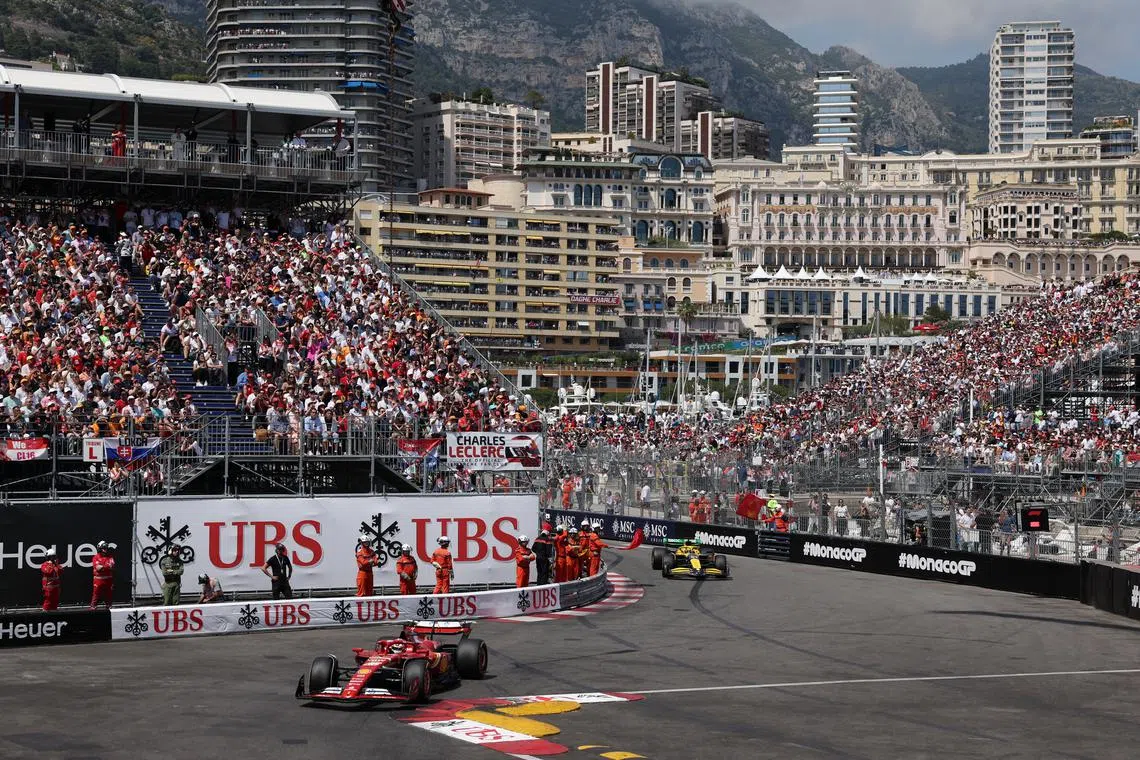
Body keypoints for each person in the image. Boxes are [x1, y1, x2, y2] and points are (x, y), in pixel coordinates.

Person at [90, 540, 116, 609]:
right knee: (96, 594)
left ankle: (109, 607)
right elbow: (98, 568)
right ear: (100, 548)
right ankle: (93, 607)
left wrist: (103, 567)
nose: (105, 550)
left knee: (109, 594)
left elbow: (112, 567)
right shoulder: (96, 557)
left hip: (109, 580)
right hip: (98, 580)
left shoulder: (110, 557)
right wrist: (107, 566)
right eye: (104, 548)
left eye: (106, 548)